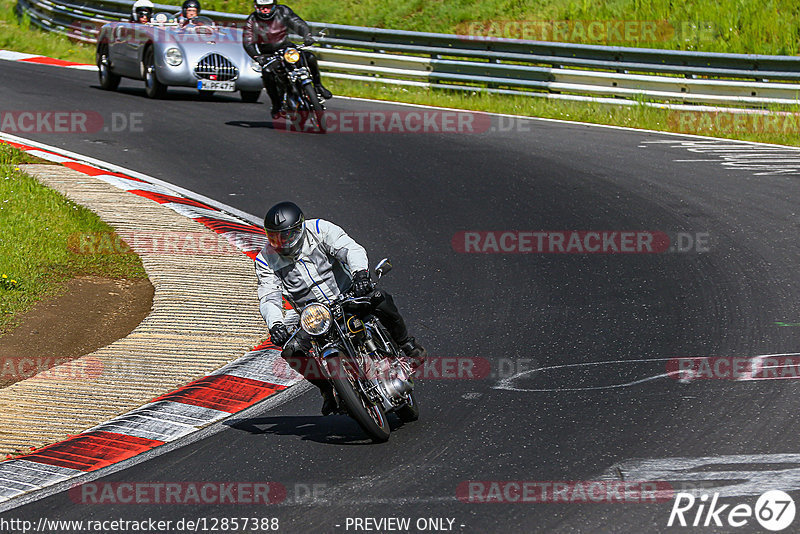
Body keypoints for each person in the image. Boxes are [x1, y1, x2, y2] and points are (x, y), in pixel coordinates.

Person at [255, 202, 426, 415]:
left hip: (349, 296)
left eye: (287, 236)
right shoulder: (265, 259)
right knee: (291, 351)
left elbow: (349, 249)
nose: (281, 242)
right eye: (275, 237)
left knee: (380, 298)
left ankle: (407, 345)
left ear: (300, 228)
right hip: (315, 317)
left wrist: (360, 275)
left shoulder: (319, 229)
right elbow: (269, 295)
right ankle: (327, 390)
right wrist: (275, 324)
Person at [242, 0, 332, 119]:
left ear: (274, 6)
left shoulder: (283, 11)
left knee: (309, 57)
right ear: (256, 7)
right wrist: (257, 57)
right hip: (268, 54)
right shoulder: (252, 20)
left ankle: (318, 85)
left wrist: (307, 35)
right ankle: (276, 105)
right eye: (262, 7)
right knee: (267, 73)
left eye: (268, 7)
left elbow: (297, 23)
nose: (265, 9)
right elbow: (248, 42)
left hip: (287, 48)